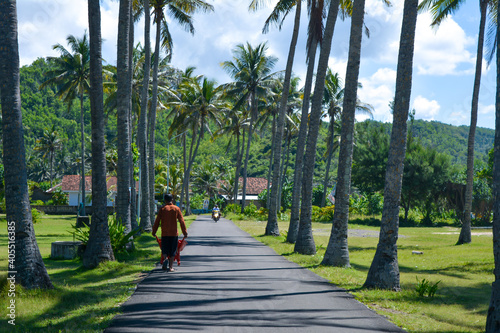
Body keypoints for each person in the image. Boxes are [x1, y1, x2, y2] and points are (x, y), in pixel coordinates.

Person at [152, 193, 188, 272]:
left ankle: (165, 259)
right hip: (174, 233)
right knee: (173, 250)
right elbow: (182, 221)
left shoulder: (162, 209)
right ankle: (170, 267)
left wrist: (154, 231)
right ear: (172, 200)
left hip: (164, 233)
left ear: (165, 200)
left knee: (164, 249)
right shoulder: (176, 208)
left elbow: (157, 221)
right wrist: (185, 232)